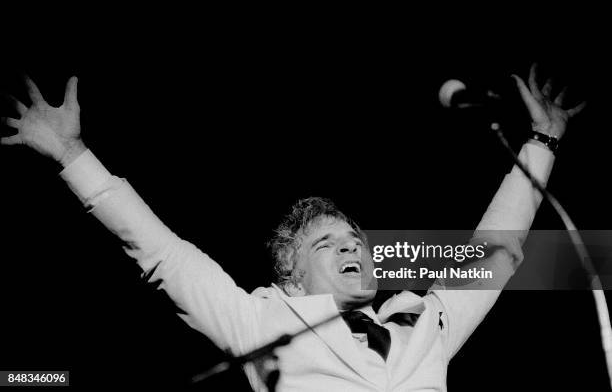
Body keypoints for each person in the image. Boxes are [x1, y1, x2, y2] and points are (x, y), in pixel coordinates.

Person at [0, 65, 585, 391]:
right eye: (324, 244)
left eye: (353, 238)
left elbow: (497, 252)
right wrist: (74, 156)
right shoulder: (260, 320)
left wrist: (543, 144)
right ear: (293, 280)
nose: (351, 245)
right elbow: (166, 256)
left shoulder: (427, 320)